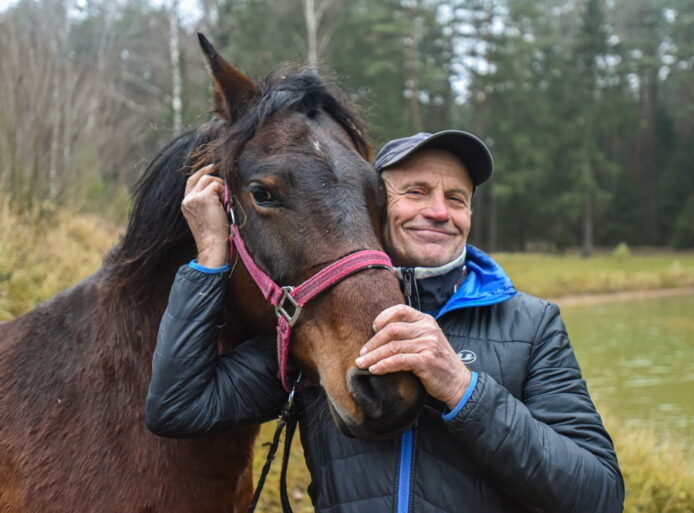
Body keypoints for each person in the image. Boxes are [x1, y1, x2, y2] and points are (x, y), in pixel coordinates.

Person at [146, 130, 624, 512]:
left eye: (456, 199)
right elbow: (178, 406)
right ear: (372, 206)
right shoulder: (323, 323)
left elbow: (598, 495)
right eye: (416, 192)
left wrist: (462, 389)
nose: (439, 212)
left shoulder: (531, 324)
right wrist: (210, 257)